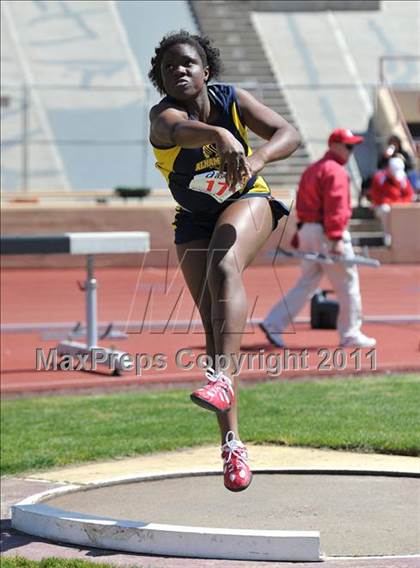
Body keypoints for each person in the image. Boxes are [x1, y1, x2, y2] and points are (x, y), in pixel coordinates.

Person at [148, 30, 300, 492]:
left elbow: (288, 133)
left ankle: (222, 382)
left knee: (223, 266)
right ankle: (232, 445)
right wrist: (218, 135)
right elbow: (179, 133)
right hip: (194, 217)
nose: (179, 70)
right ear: (161, 78)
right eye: (169, 66)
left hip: (247, 200)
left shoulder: (232, 98)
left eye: (188, 63)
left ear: (206, 71)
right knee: (214, 328)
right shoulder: (162, 117)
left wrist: (258, 158)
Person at [260, 128, 376, 350]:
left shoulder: (312, 169)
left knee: (307, 283)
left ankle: (274, 323)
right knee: (348, 284)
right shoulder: (336, 171)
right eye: (348, 146)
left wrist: (300, 233)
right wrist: (336, 238)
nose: (351, 151)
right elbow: (337, 207)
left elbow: (302, 204)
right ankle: (350, 334)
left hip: (309, 231)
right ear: (334, 145)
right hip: (327, 233)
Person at [370, 155, 414, 245]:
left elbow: (409, 195)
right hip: (383, 207)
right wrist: (389, 202)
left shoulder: (403, 179)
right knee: (385, 209)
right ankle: (388, 236)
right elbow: (375, 197)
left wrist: (399, 203)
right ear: (389, 169)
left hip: (398, 207)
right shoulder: (379, 178)